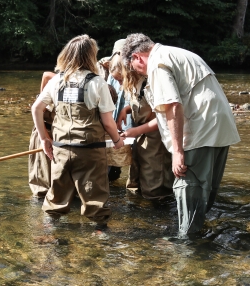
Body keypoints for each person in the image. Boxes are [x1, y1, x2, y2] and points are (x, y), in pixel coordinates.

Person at [121, 33, 240, 237]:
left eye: (134, 67)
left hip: (201, 130)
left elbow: (173, 105)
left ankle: (186, 244)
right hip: (221, 127)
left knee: (187, 184)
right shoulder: (177, 53)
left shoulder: (157, 64)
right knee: (206, 190)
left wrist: (177, 152)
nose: (138, 72)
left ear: (136, 58)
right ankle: (198, 233)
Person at [31, 34, 124, 229]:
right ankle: (100, 233)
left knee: (57, 194)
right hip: (90, 150)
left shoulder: (57, 81)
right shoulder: (98, 83)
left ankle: (50, 232)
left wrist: (44, 139)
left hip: (61, 148)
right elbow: (108, 122)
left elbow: (36, 108)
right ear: (91, 56)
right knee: (94, 195)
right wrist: (117, 140)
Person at [113, 51, 174, 201]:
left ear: (129, 72)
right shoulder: (136, 83)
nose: (120, 84)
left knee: (155, 188)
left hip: (156, 143)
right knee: (136, 183)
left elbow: (165, 118)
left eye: (121, 80)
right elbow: (140, 105)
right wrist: (125, 110)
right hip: (140, 141)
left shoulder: (152, 84)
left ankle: (159, 217)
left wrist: (136, 131)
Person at [99, 39, 134, 182]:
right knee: (110, 161)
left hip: (131, 123)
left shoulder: (135, 73)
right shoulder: (107, 69)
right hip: (113, 121)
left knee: (133, 157)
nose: (119, 82)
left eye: (121, 79)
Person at [28, 72, 57, 198]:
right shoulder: (58, 81)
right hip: (44, 133)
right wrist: (46, 138)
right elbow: (46, 75)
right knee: (42, 186)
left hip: (56, 136)